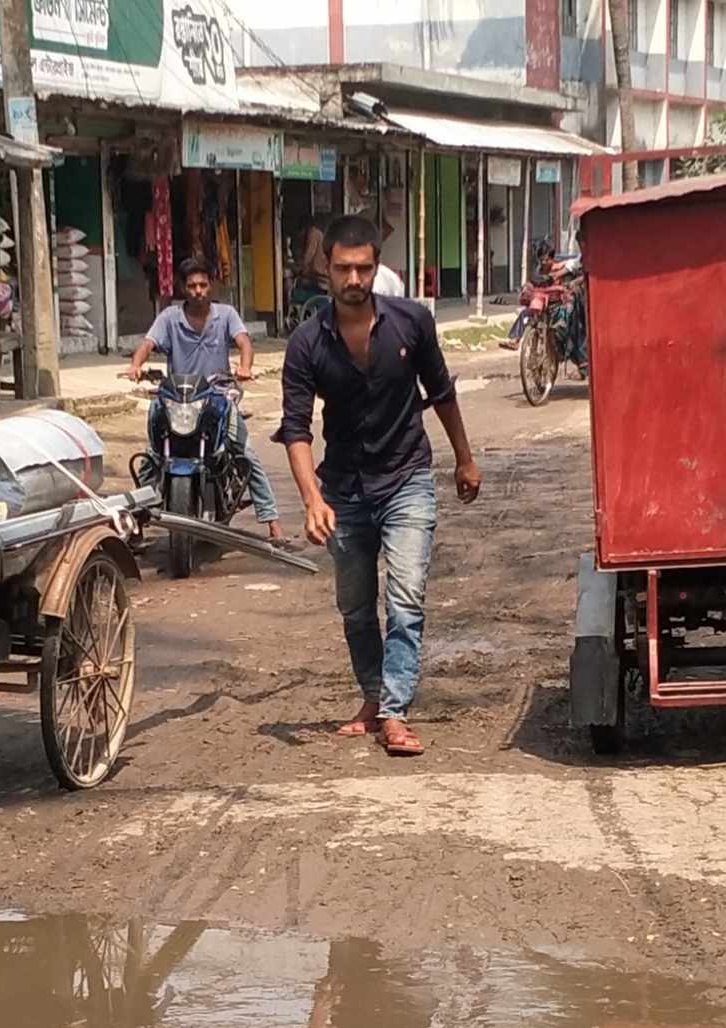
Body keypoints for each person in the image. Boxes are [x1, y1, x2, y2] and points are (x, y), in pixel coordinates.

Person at [277, 214, 482, 757]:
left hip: (407, 476)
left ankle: (394, 710)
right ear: (327, 269)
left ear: (376, 267)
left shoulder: (412, 323)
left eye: (364, 268)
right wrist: (311, 499)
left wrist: (465, 459)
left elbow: (441, 392)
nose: (354, 279)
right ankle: (373, 696)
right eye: (343, 268)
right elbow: (295, 429)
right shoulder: (305, 342)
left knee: (407, 595)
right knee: (356, 606)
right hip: (342, 487)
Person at [125, 256, 291, 547]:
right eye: (192, 285)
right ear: (183, 288)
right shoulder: (169, 318)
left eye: (203, 285)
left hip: (216, 396)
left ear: (210, 286)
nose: (198, 290)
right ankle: (136, 523)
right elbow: (146, 344)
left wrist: (245, 367)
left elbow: (244, 343)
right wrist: (136, 366)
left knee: (245, 453)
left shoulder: (225, 315)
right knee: (152, 455)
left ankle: (272, 522)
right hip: (178, 397)